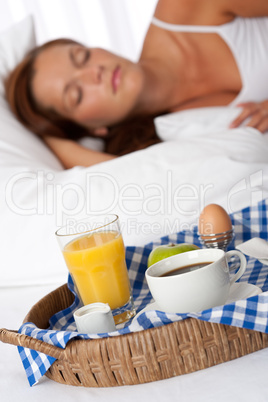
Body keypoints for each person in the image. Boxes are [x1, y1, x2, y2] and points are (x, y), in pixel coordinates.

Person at [5, 0, 268, 168]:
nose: (93, 72)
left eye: (82, 56)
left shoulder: (184, 8)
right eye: (76, 94)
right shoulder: (171, 136)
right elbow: (122, 177)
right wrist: (49, 136)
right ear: (94, 129)